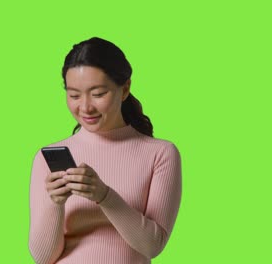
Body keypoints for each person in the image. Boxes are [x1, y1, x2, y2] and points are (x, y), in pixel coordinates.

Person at [28, 37, 182, 264]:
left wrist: (104, 196)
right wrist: (55, 203)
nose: (85, 107)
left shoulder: (160, 154)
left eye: (98, 94)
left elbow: (152, 245)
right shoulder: (46, 157)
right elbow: (42, 258)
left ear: (125, 88)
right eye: (74, 95)